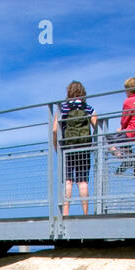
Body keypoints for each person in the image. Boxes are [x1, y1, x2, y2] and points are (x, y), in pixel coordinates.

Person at [52, 81, 97, 216]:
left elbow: (55, 130)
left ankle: (65, 213)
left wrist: (56, 147)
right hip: (83, 147)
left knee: (68, 181)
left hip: (67, 148)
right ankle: (85, 213)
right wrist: (92, 142)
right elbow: (98, 127)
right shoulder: (88, 108)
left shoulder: (63, 109)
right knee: (82, 181)